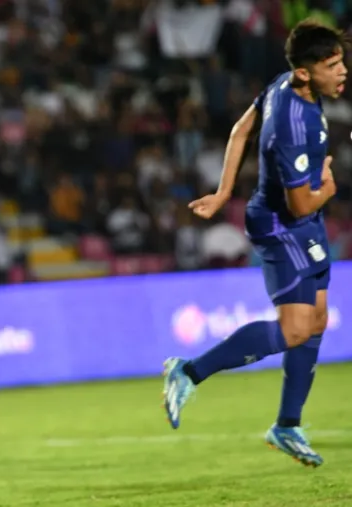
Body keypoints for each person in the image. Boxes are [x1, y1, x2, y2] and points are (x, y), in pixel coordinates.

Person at [164, 20, 347, 468]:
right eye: (332, 64)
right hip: (282, 227)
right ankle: (189, 370)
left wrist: (224, 191)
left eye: (342, 61)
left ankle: (287, 425)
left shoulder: (284, 85)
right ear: (306, 73)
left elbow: (240, 130)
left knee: (317, 320)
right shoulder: (295, 125)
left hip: (301, 225)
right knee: (295, 329)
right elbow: (302, 203)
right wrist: (329, 188)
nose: (343, 71)